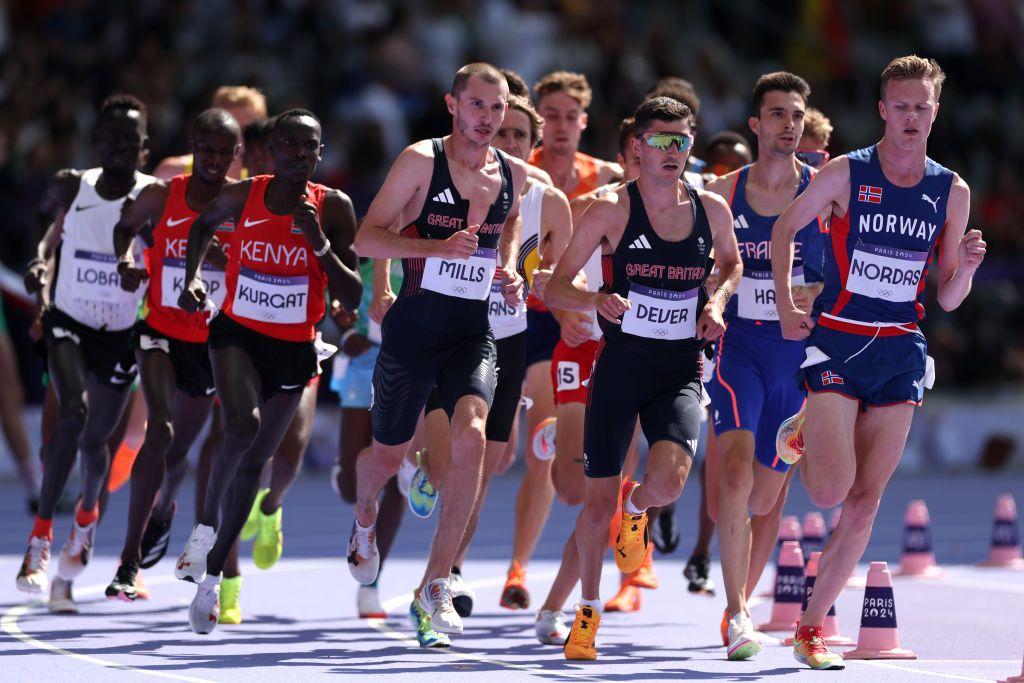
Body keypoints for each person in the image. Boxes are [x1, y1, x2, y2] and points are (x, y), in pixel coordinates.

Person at [771, 55, 983, 670]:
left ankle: (811, 628)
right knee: (828, 489)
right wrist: (788, 305)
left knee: (865, 502)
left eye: (923, 106)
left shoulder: (952, 190)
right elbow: (786, 229)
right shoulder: (847, 173)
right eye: (901, 105)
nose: (911, 116)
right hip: (837, 338)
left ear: (934, 113)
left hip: (899, 349)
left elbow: (946, 295)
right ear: (883, 110)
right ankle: (810, 425)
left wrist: (964, 268)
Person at [546, 97, 741, 660]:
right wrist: (595, 299)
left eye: (682, 140)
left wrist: (718, 301)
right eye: (660, 141)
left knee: (671, 483)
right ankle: (586, 613)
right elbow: (553, 287)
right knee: (594, 504)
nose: (672, 151)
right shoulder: (609, 209)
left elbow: (731, 263)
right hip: (621, 366)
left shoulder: (711, 209)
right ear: (636, 147)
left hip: (679, 367)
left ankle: (639, 510)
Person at [348, 62, 527, 638]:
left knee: (472, 439)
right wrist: (436, 247)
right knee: (384, 457)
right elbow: (364, 237)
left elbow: (512, 224)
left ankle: (434, 586)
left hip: (472, 333)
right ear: (453, 105)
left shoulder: (511, 173)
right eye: (477, 106)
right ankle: (364, 518)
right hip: (413, 330)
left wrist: (509, 270)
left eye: (497, 109)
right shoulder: (420, 161)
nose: (488, 119)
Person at [174, 108, 362, 634]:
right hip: (237, 334)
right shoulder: (243, 196)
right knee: (241, 426)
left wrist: (319, 245)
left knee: (258, 464)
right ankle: (205, 529)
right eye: (291, 145)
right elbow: (201, 228)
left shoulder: (333, 208)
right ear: (272, 150)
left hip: (296, 347)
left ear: (320, 154)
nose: (300, 155)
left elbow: (352, 293)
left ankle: (210, 581)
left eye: (311, 147)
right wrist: (191, 279)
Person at [410, 94, 570, 644]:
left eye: (521, 137)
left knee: (489, 465)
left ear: (534, 145)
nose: (509, 144)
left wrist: (548, 285)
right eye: (503, 133)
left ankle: (445, 573)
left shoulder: (548, 201)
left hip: (509, 336)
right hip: (448, 334)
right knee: (453, 461)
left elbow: (563, 276)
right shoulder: (455, 181)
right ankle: (439, 571)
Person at [16, 95, 157, 611]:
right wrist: (38, 267)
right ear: (98, 143)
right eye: (111, 137)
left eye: (131, 139)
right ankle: (40, 538)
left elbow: (167, 249)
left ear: (145, 149)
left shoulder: (153, 195)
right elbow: (44, 235)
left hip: (119, 333)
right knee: (70, 415)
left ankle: (86, 518)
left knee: (98, 444)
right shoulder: (71, 184)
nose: (120, 146)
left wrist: (146, 272)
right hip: (68, 321)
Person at [703, 72, 826, 660]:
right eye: (777, 115)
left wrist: (813, 296)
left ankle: (739, 599)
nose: (788, 125)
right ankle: (738, 614)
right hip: (738, 349)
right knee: (732, 474)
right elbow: (700, 265)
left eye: (796, 116)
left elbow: (847, 268)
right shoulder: (721, 195)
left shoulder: (826, 192)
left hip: (797, 358)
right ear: (755, 125)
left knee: (761, 496)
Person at [103, 109, 241, 602]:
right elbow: (124, 228)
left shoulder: (243, 203)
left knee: (178, 452)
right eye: (208, 150)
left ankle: (163, 511)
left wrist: (230, 263)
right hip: (159, 330)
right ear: (193, 145)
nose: (216, 160)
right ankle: (127, 560)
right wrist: (126, 260)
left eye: (226, 153)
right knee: (157, 430)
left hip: (208, 345)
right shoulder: (165, 194)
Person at [502, 70, 618, 610]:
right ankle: (519, 565)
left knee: (562, 453)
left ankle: (525, 568)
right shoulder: (516, 173)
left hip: (585, 320)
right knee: (523, 453)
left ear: (585, 121)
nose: (560, 125)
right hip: (526, 315)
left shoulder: (610, 177)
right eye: (549, 115)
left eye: (571, 116)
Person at [154, 86, 267, 182]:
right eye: (231, 130)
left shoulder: (264, 180)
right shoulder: (171, 172)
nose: (241, 138)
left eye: (248, 131)